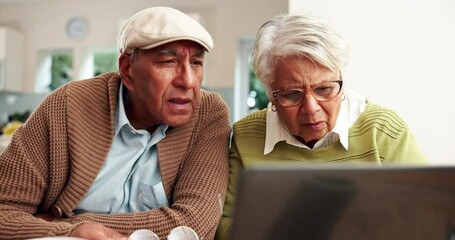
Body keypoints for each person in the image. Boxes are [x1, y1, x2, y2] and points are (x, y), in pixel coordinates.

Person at [0, 6, 231, 240]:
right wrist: (68, 232)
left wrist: (67, 224)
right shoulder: (65, 107)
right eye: (169, 61)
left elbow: (194, 225)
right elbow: (4, 212)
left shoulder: (208, 114)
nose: (188, 81)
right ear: (128, 70)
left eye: (196, 63)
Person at [215, 11, 427, 240]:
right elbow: (223, 227)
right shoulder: (246, 135)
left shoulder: (384, 132)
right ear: (270, 94)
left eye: (324, 89)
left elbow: (428, 219)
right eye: (292, 94)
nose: (311, 107)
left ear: (341, 80)